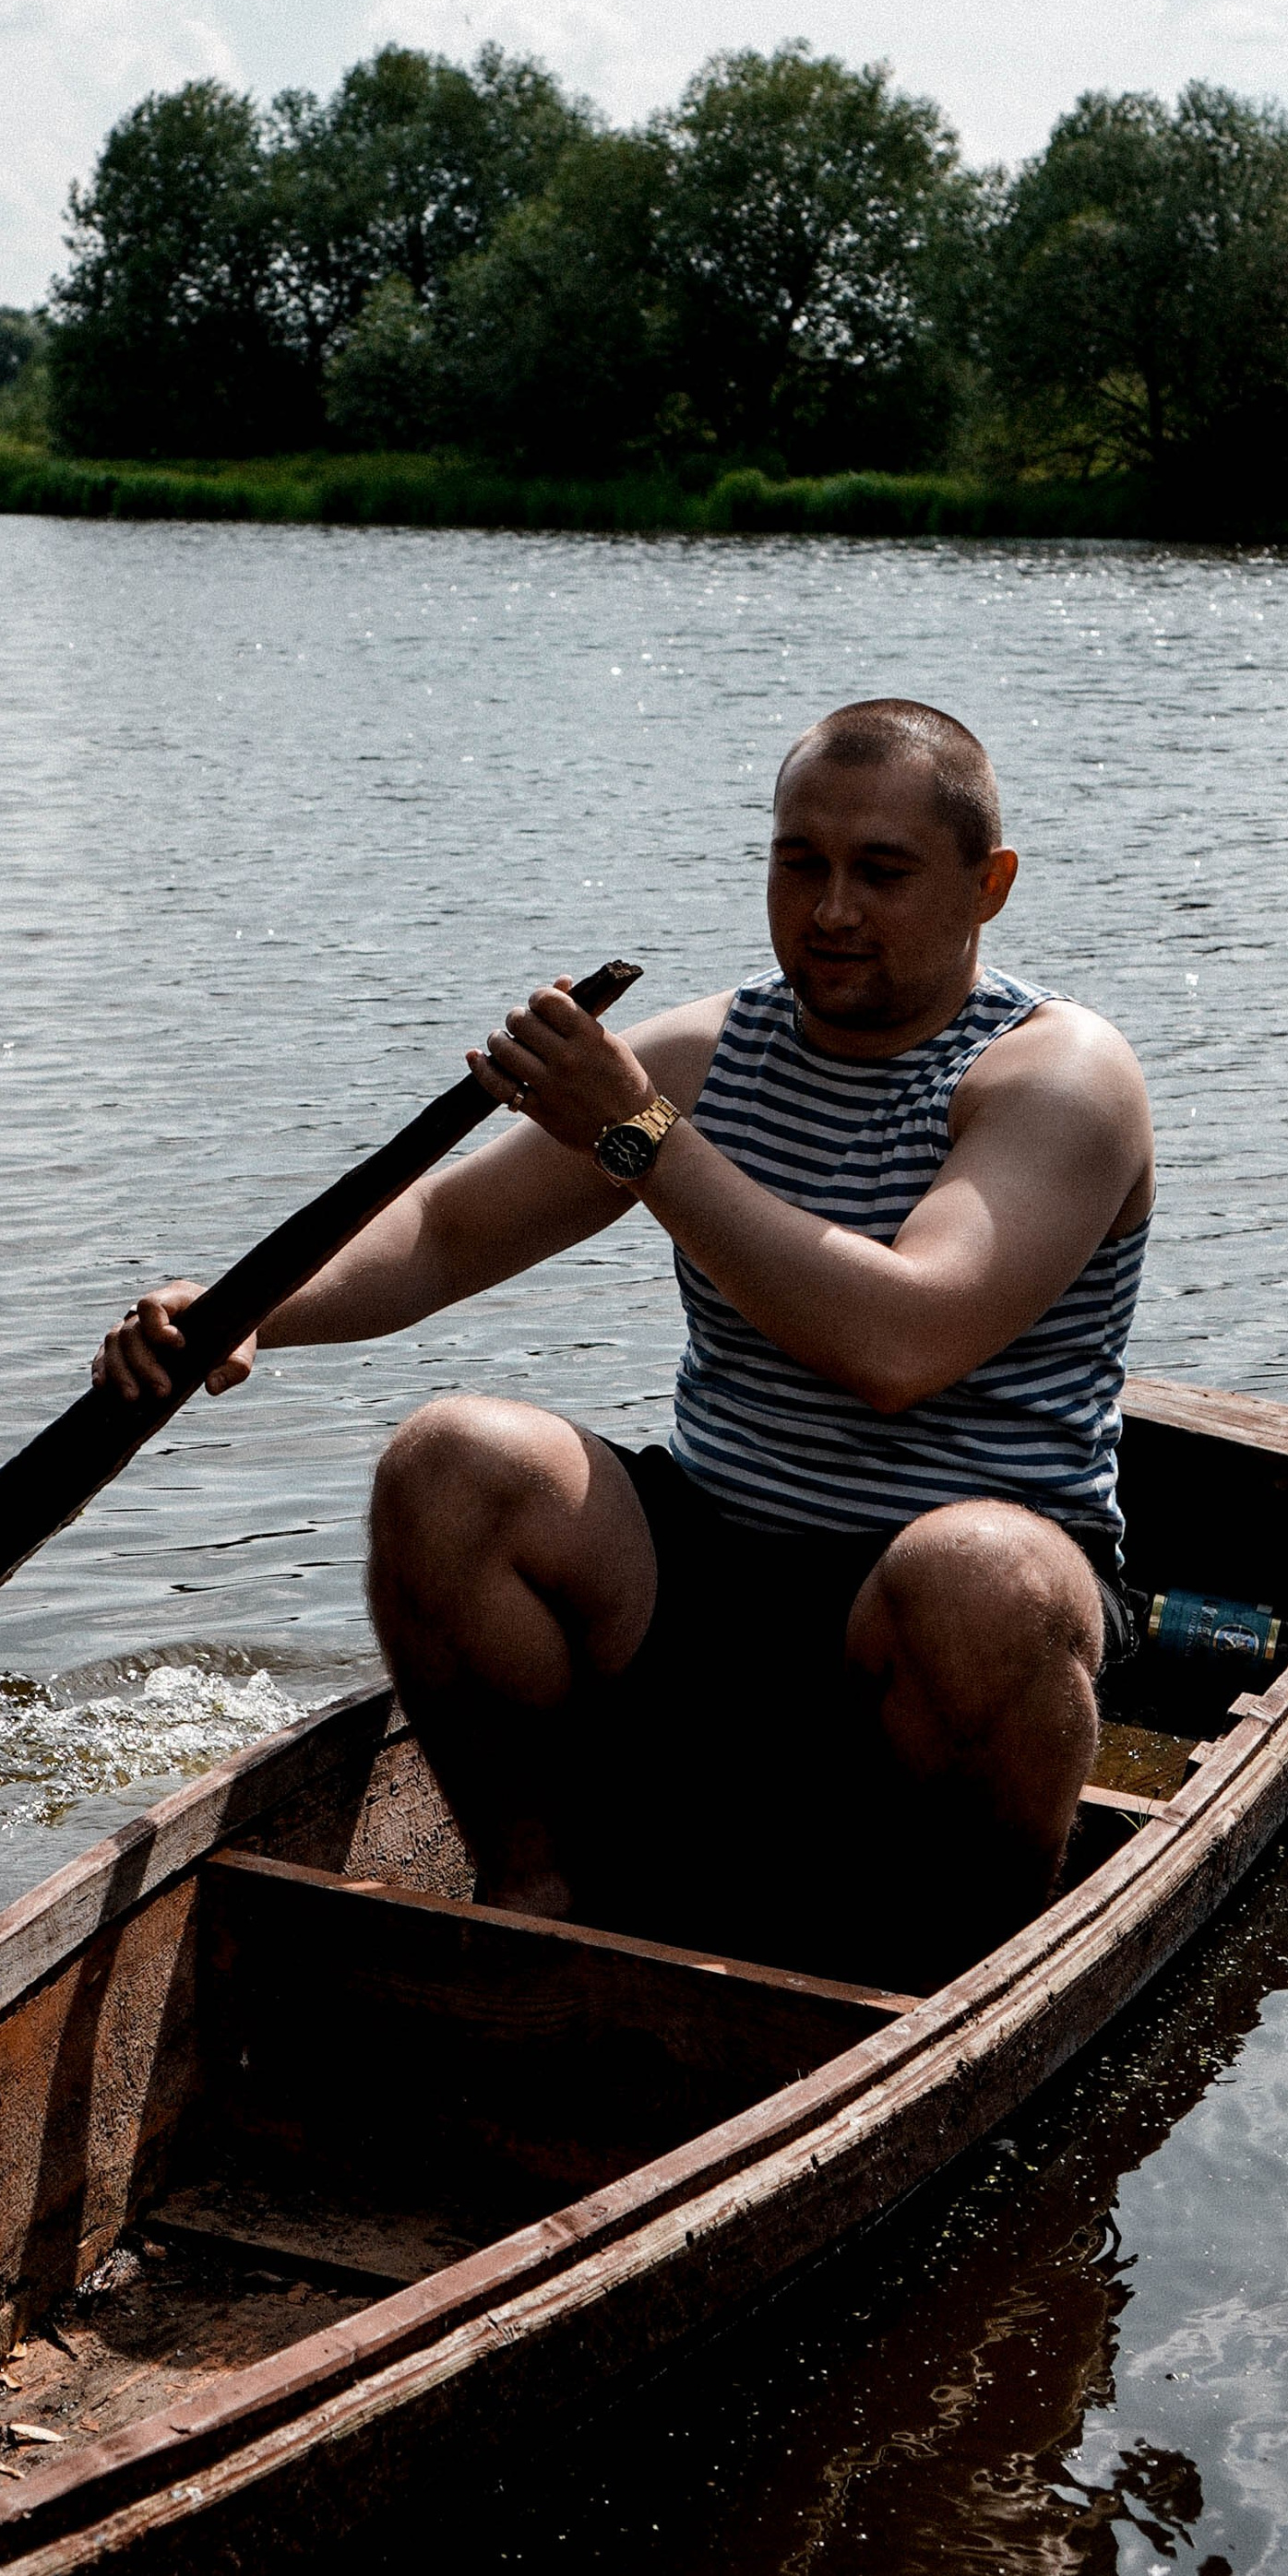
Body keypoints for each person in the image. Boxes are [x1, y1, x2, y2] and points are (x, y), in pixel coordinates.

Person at [97, 697, 1155, 1980]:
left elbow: (898, 1340)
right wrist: (244, 1309)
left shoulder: (1060, 1078)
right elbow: (439, 1230)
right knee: (450, 1467)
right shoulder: (714, 1055)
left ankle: (946, 1980)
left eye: (880, 872)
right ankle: (538, 1895)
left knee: (982, 1572)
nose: (829, 911)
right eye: (798, 862)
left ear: (988, 886)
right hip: (717, 1572)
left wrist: (640, 1137)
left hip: (944, 1620)